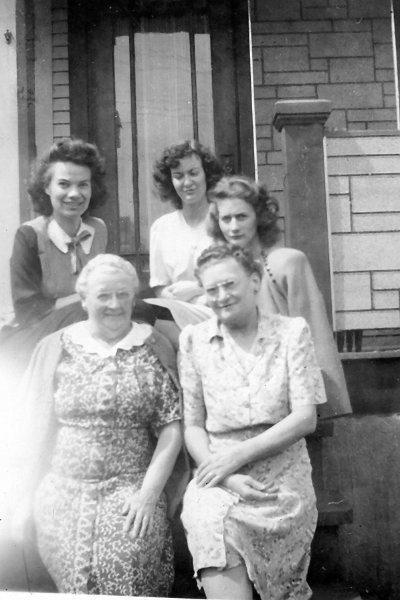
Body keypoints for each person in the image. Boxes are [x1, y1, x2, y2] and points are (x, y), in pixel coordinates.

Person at [9, 254, 186, 595]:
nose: (115, 304)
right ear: (84, 297)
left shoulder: (152, 345)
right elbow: (27, 428)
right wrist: (19, 497)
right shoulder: (54, 347)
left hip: (130, 491)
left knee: (125, 560)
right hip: (61, 492)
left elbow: (172, 426)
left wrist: (148, 495)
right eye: (103, 295)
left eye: (123, 295)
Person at [179, 243, 327, 600]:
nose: (221, 296)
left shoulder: (292, 333)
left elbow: (305, 418)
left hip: (282, 472)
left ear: (255, 280)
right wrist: (227, 473)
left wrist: (238, 455)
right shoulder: (194, 340)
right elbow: (194, 426)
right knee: (208, 521)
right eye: (211, 289)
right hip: (218, 473)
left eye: (229, 284)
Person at [207, 175, 351, 418]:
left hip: (292, 396)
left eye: (242, 216)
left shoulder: (286, 263)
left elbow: (314, 332)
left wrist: (327, 405)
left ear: (259, 218)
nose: (233, 227)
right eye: (226, 219)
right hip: (241, 396)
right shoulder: (219, 271)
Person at [150, 139, 223, 303]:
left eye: (194, 173)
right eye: (178, 176)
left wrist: (199, 288)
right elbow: (160, 287)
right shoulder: (161, 228)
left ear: (207, 174)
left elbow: (238, 275)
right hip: (177, 313)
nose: (187, 182)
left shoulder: (224, 220)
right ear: (170, 181)